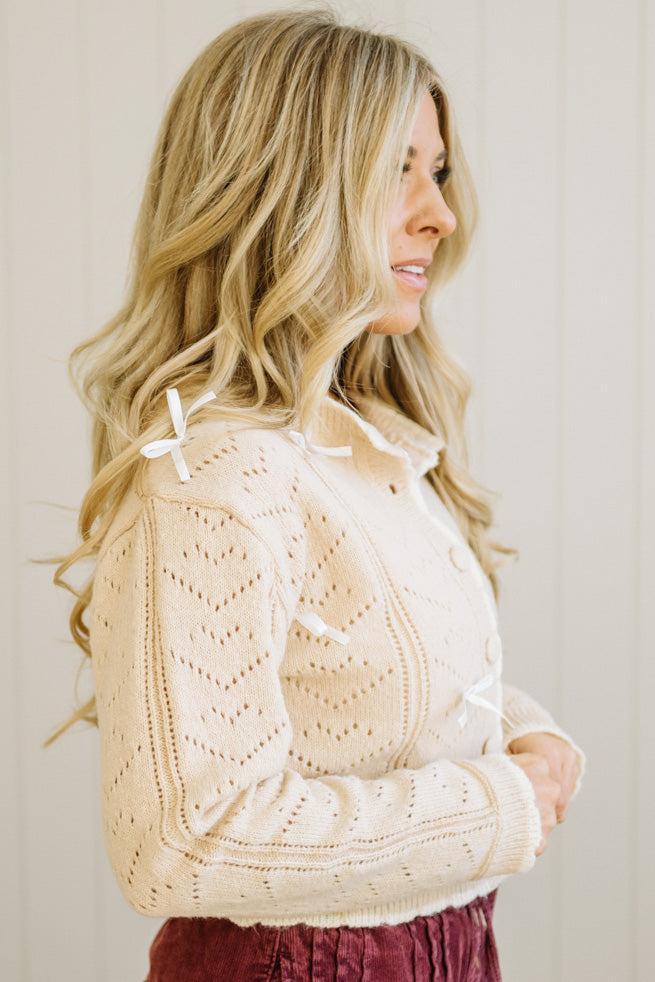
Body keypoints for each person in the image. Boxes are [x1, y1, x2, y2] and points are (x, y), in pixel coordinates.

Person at [44, 5, 586, 979]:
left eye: (440, 171)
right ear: (281, 190)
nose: (439, 214)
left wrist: (519, 728)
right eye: (397, 171)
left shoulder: (354, 451)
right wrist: (500, 802)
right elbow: (185, 841)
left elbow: (368, 693)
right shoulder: (215, 478)